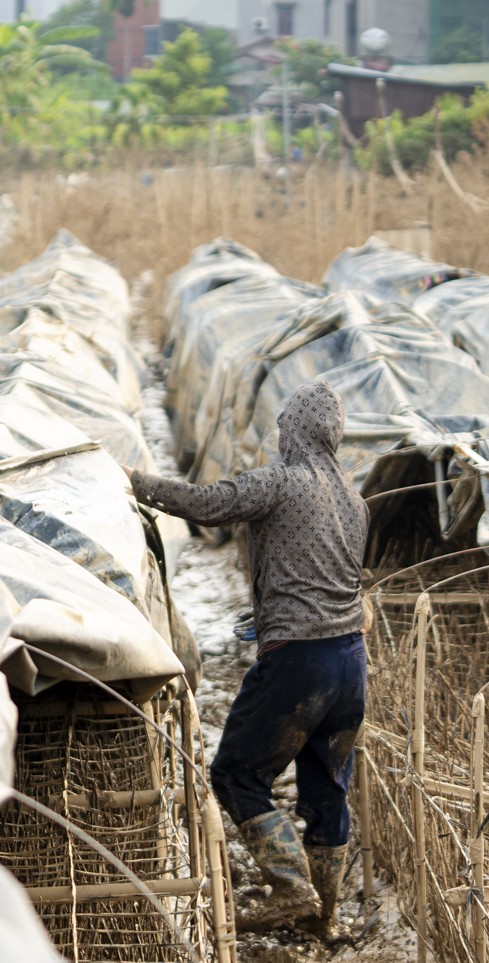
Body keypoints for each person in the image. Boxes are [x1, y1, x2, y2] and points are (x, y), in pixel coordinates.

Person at [126, 382, 369, 931]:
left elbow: (211, 505)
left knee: (236, 773)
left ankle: (292, 888)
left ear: (296, 431)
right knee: (327, 789)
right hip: (351, 663)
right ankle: (326, 918)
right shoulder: (356, 502)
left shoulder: (280, 482)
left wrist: (137, 484)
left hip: (298, 662)